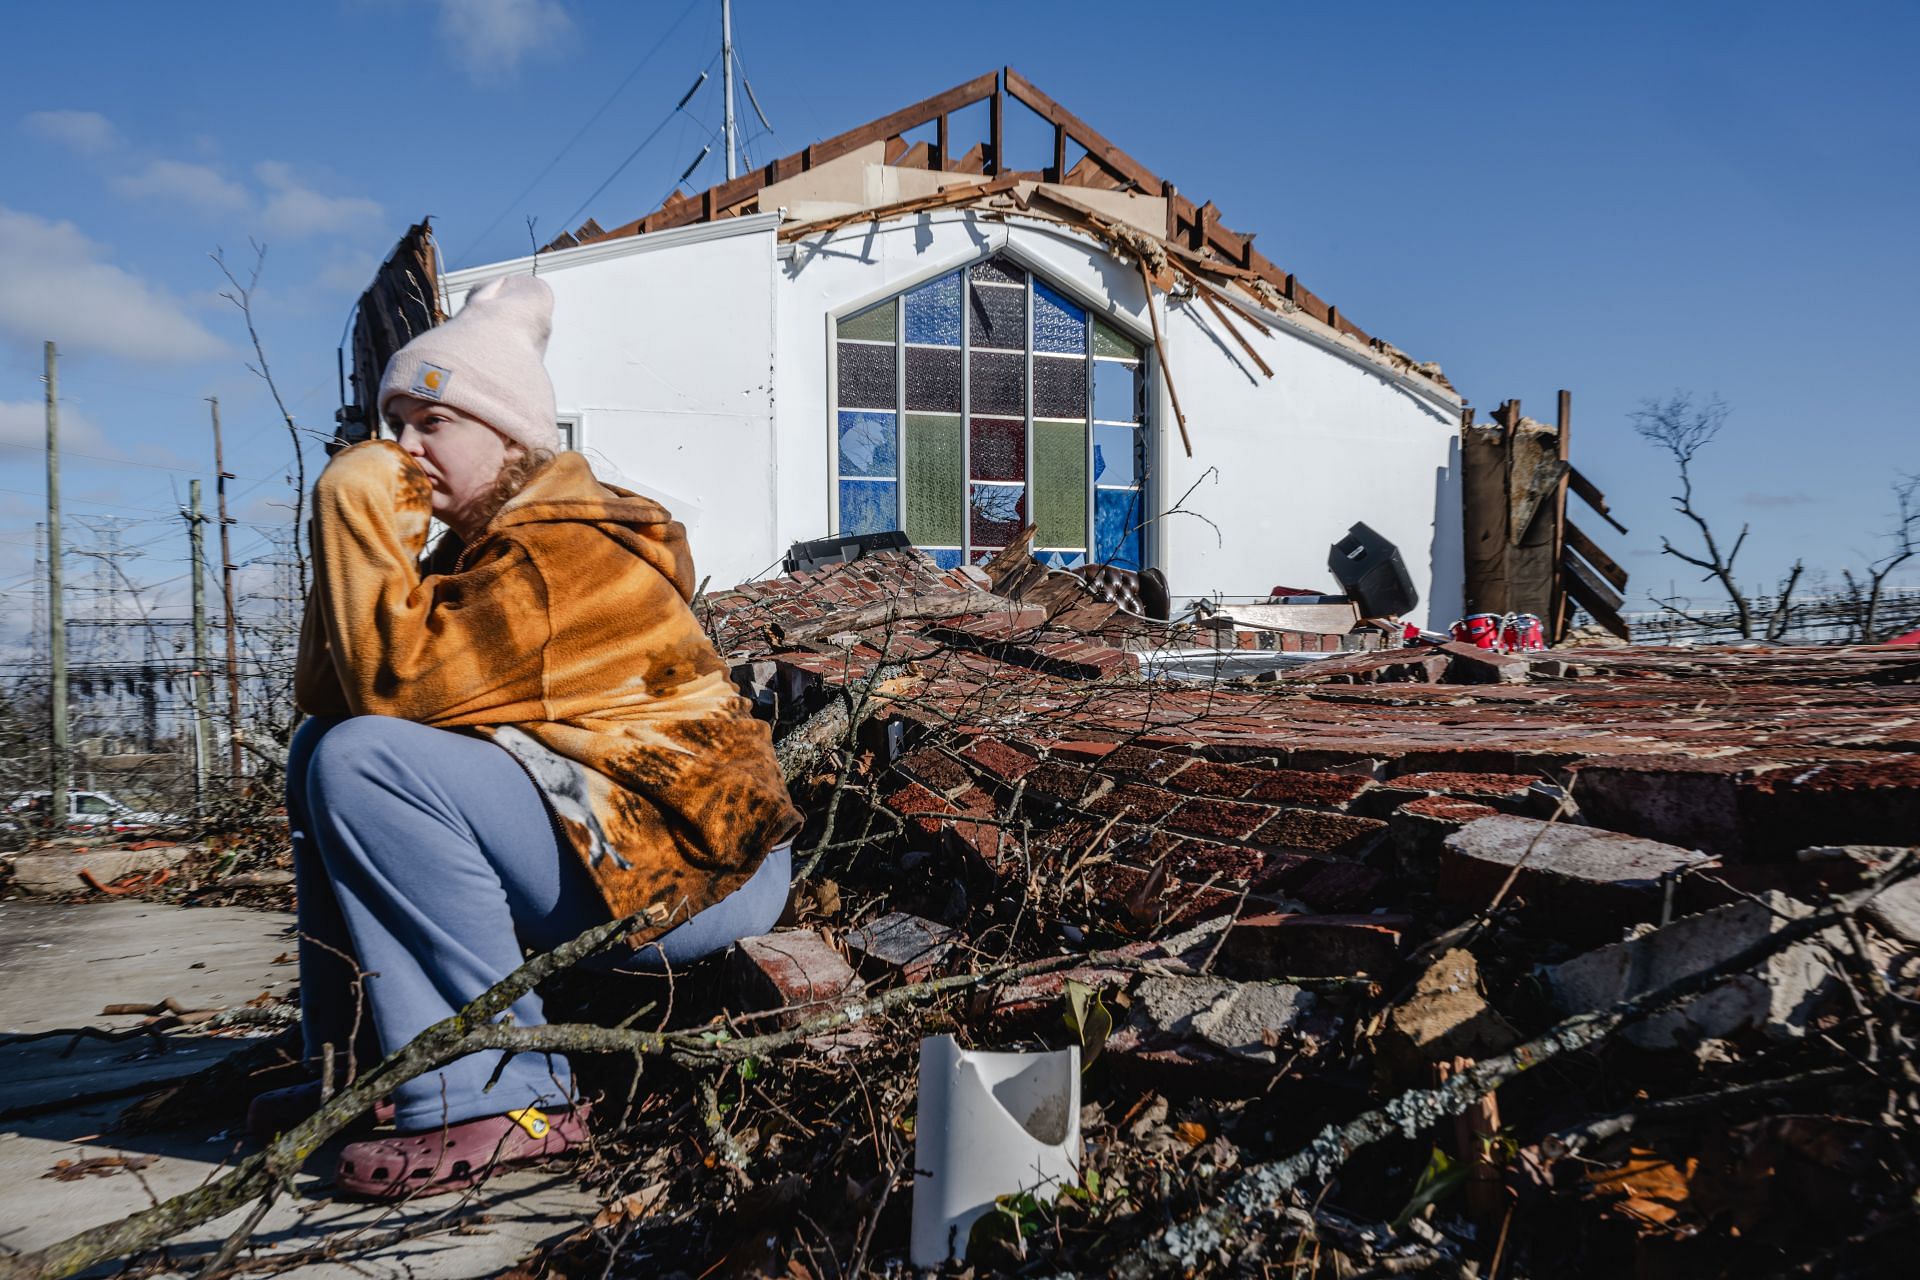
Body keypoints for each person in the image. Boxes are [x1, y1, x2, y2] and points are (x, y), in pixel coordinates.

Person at [257, 275, 802, 1199]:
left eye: (432, 422)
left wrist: (353, 513)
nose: (403, 450)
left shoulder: (560, 553)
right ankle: (362, 1070)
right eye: (393, 425)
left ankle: (500, 1099)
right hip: (626, 837)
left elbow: (392, 693)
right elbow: (334, 690)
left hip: (700, 869)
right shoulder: (491, 546)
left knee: (363, 762)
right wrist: (354, 542)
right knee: (322, 745)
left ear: (507, 435)